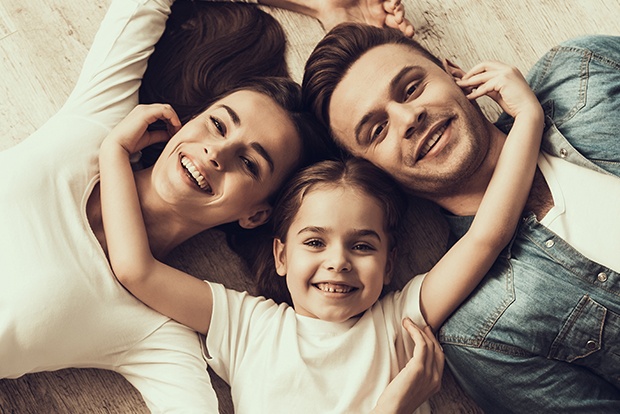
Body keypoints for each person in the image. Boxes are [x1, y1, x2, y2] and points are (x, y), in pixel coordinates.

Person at [0, 0, 413, 411]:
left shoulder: (153, 330)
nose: (217, 152)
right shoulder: (95, 125)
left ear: (255, 215)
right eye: (217, 124)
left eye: (250, 163)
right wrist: (325, 9)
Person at [98, 53, 543, 412]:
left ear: (390, 264)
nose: (338, 261)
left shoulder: (400, 322)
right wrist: (115, 151)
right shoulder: (247, 327)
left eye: (363, 245)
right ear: (281, 255)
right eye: (314, 241)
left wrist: (527, 118)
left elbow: (488, 233)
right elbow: (136, 269)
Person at [302, 23, 620, 412]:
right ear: (373, 172)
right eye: (378, 129)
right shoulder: (483, 330)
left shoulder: (579, 71)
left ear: (453, 73)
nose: (409, 117)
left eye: (412, 88)